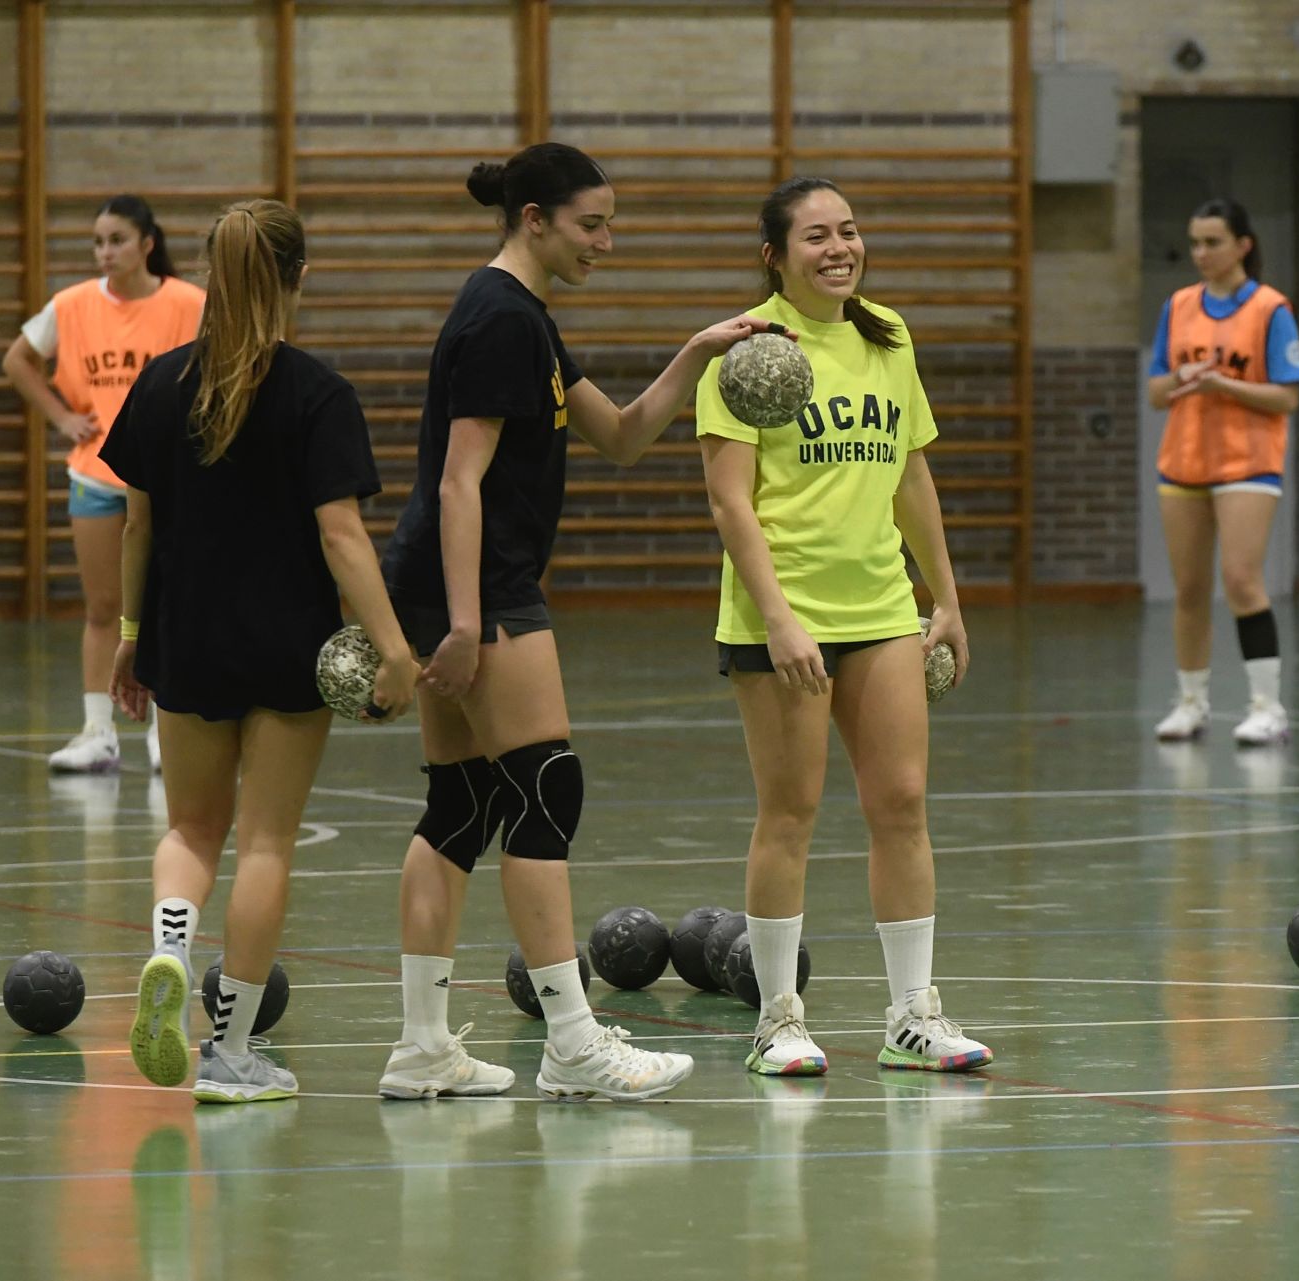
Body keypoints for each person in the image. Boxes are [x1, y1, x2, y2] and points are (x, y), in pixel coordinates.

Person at [376, 142, 781, 1102]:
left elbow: (626, 437)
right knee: (546, 792)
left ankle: (422, 1048)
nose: (606, 240)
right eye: (590, 224)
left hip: (450, 583)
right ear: (534, 220)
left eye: (610, 223)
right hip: (477, 587)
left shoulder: (528, 321)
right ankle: (572, 1042)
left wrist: (699, 350)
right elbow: (457, 479)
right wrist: (469, 621)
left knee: (462, 808)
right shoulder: (500, 319)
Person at [106, 199, 417, 1102]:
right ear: (298, 278)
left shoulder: (161, 384)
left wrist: (130, 639)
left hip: (185, 636)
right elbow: (343, 537)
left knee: (189, 829)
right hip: (289, 647)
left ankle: (169, 949)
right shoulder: (317, 393)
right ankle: (230, 1052)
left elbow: (136, 526)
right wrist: (393, 650)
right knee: (267, 841)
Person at [696, 175, 994, 1077]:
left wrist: (943, 598)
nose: (839, 248)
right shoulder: (747, 352)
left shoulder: (888, 336)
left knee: (901, 804)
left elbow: (911, 475)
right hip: (781, 615)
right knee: (789, 813)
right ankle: (777, 1018)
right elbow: (729, 500)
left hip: (880, 610)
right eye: (817, 236)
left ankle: (912, 1015)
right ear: (775, 257)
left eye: (850, 232)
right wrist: (780, 621)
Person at [3, 194, 204, 774]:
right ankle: (98, 731)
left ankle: (168, 728)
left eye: (116, 240)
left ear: (147, 243)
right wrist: (63, 417)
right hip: (97, 473)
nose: (105, 252)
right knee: (104, 607)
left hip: (168, 478)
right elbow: (17, 360)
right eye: (97, 242)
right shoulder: (70, 305)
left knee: (167, 604)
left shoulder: (190, 303)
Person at [1145, 198, 1299, 747]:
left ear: (1243, 245)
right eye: (1195, 242)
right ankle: (1191, 703)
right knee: (1189, 589)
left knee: (1240, 580)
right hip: (1185, 460)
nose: (1201, 253)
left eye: (1213, 241)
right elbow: (1155, 390)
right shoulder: (1179, 305)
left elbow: (1286, 397)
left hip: (1247, 463)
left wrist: (1223, 384)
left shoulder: (1269, 308)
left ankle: (1267, 707)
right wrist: (1182, 379)